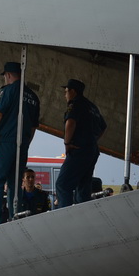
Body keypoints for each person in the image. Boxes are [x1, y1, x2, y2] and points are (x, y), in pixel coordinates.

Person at [0, 61, 41, 227]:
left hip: (6, 142)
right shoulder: (34, 97)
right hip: (22, 144)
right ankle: (15, 217)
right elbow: (33, 127)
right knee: (15, 184)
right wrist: (25, 144)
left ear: (8, 75)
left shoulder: (9, 90)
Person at [55, 79, 107, 208]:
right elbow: (103, 127)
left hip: (79, 149)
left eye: (66, 91)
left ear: (73, 91)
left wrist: (67, 143)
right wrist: (91, 140)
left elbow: (70, 122)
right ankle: (83, 215)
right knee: (83, 187)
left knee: (62, 185)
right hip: (92, 150)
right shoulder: (92, 106)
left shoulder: (76, 104)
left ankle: (65, 216)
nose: (65, 95)